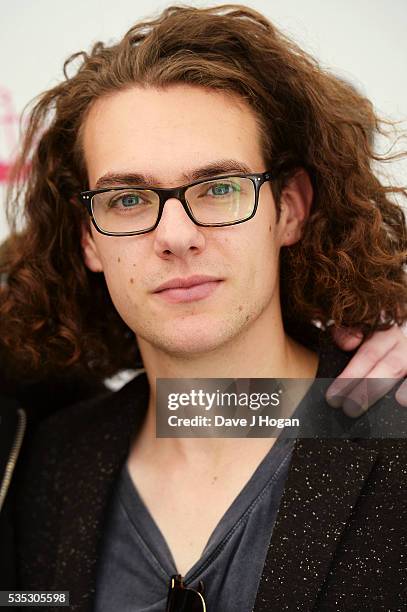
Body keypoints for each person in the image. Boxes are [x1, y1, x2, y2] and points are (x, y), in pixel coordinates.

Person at [1, 4, 406, 610]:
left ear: (288, 209)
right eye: (129, 198)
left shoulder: (394, 432)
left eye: (218, 188)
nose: (175, 234)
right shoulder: (44, 466)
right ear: (88, 237)